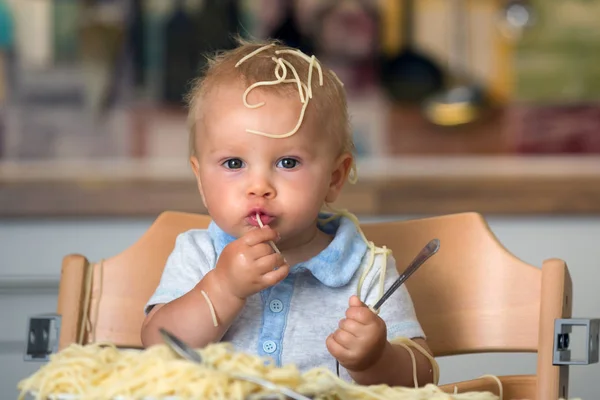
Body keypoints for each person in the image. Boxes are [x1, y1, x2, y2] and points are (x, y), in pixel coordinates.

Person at [141, 38, 436, 388]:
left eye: (288, 162)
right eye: (234, 163)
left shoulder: (367, 269)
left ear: (334, 178)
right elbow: (158, 347)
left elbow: (423, 377)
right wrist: (223, 287)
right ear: (201, 180)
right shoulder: (199, 254)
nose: (259, 186)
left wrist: (377, 358)